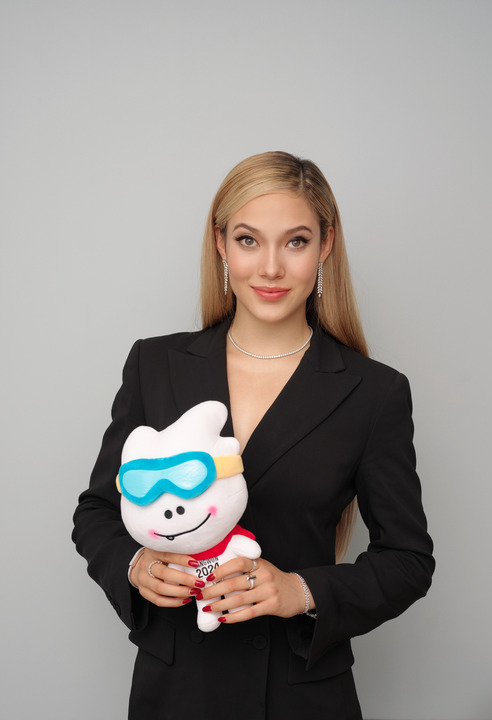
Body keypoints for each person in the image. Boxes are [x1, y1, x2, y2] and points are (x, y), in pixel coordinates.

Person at [72, 151, 434, 719]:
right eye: (248, 240)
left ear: (326, 245)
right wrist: (134, 565)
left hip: (300, 694)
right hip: (177, 691)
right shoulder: (155, 365)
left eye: (295, 242)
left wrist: (300, 592)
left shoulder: (374, 392)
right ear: (221, 244)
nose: (270, 268)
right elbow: (96, 511)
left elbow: (408, 559)